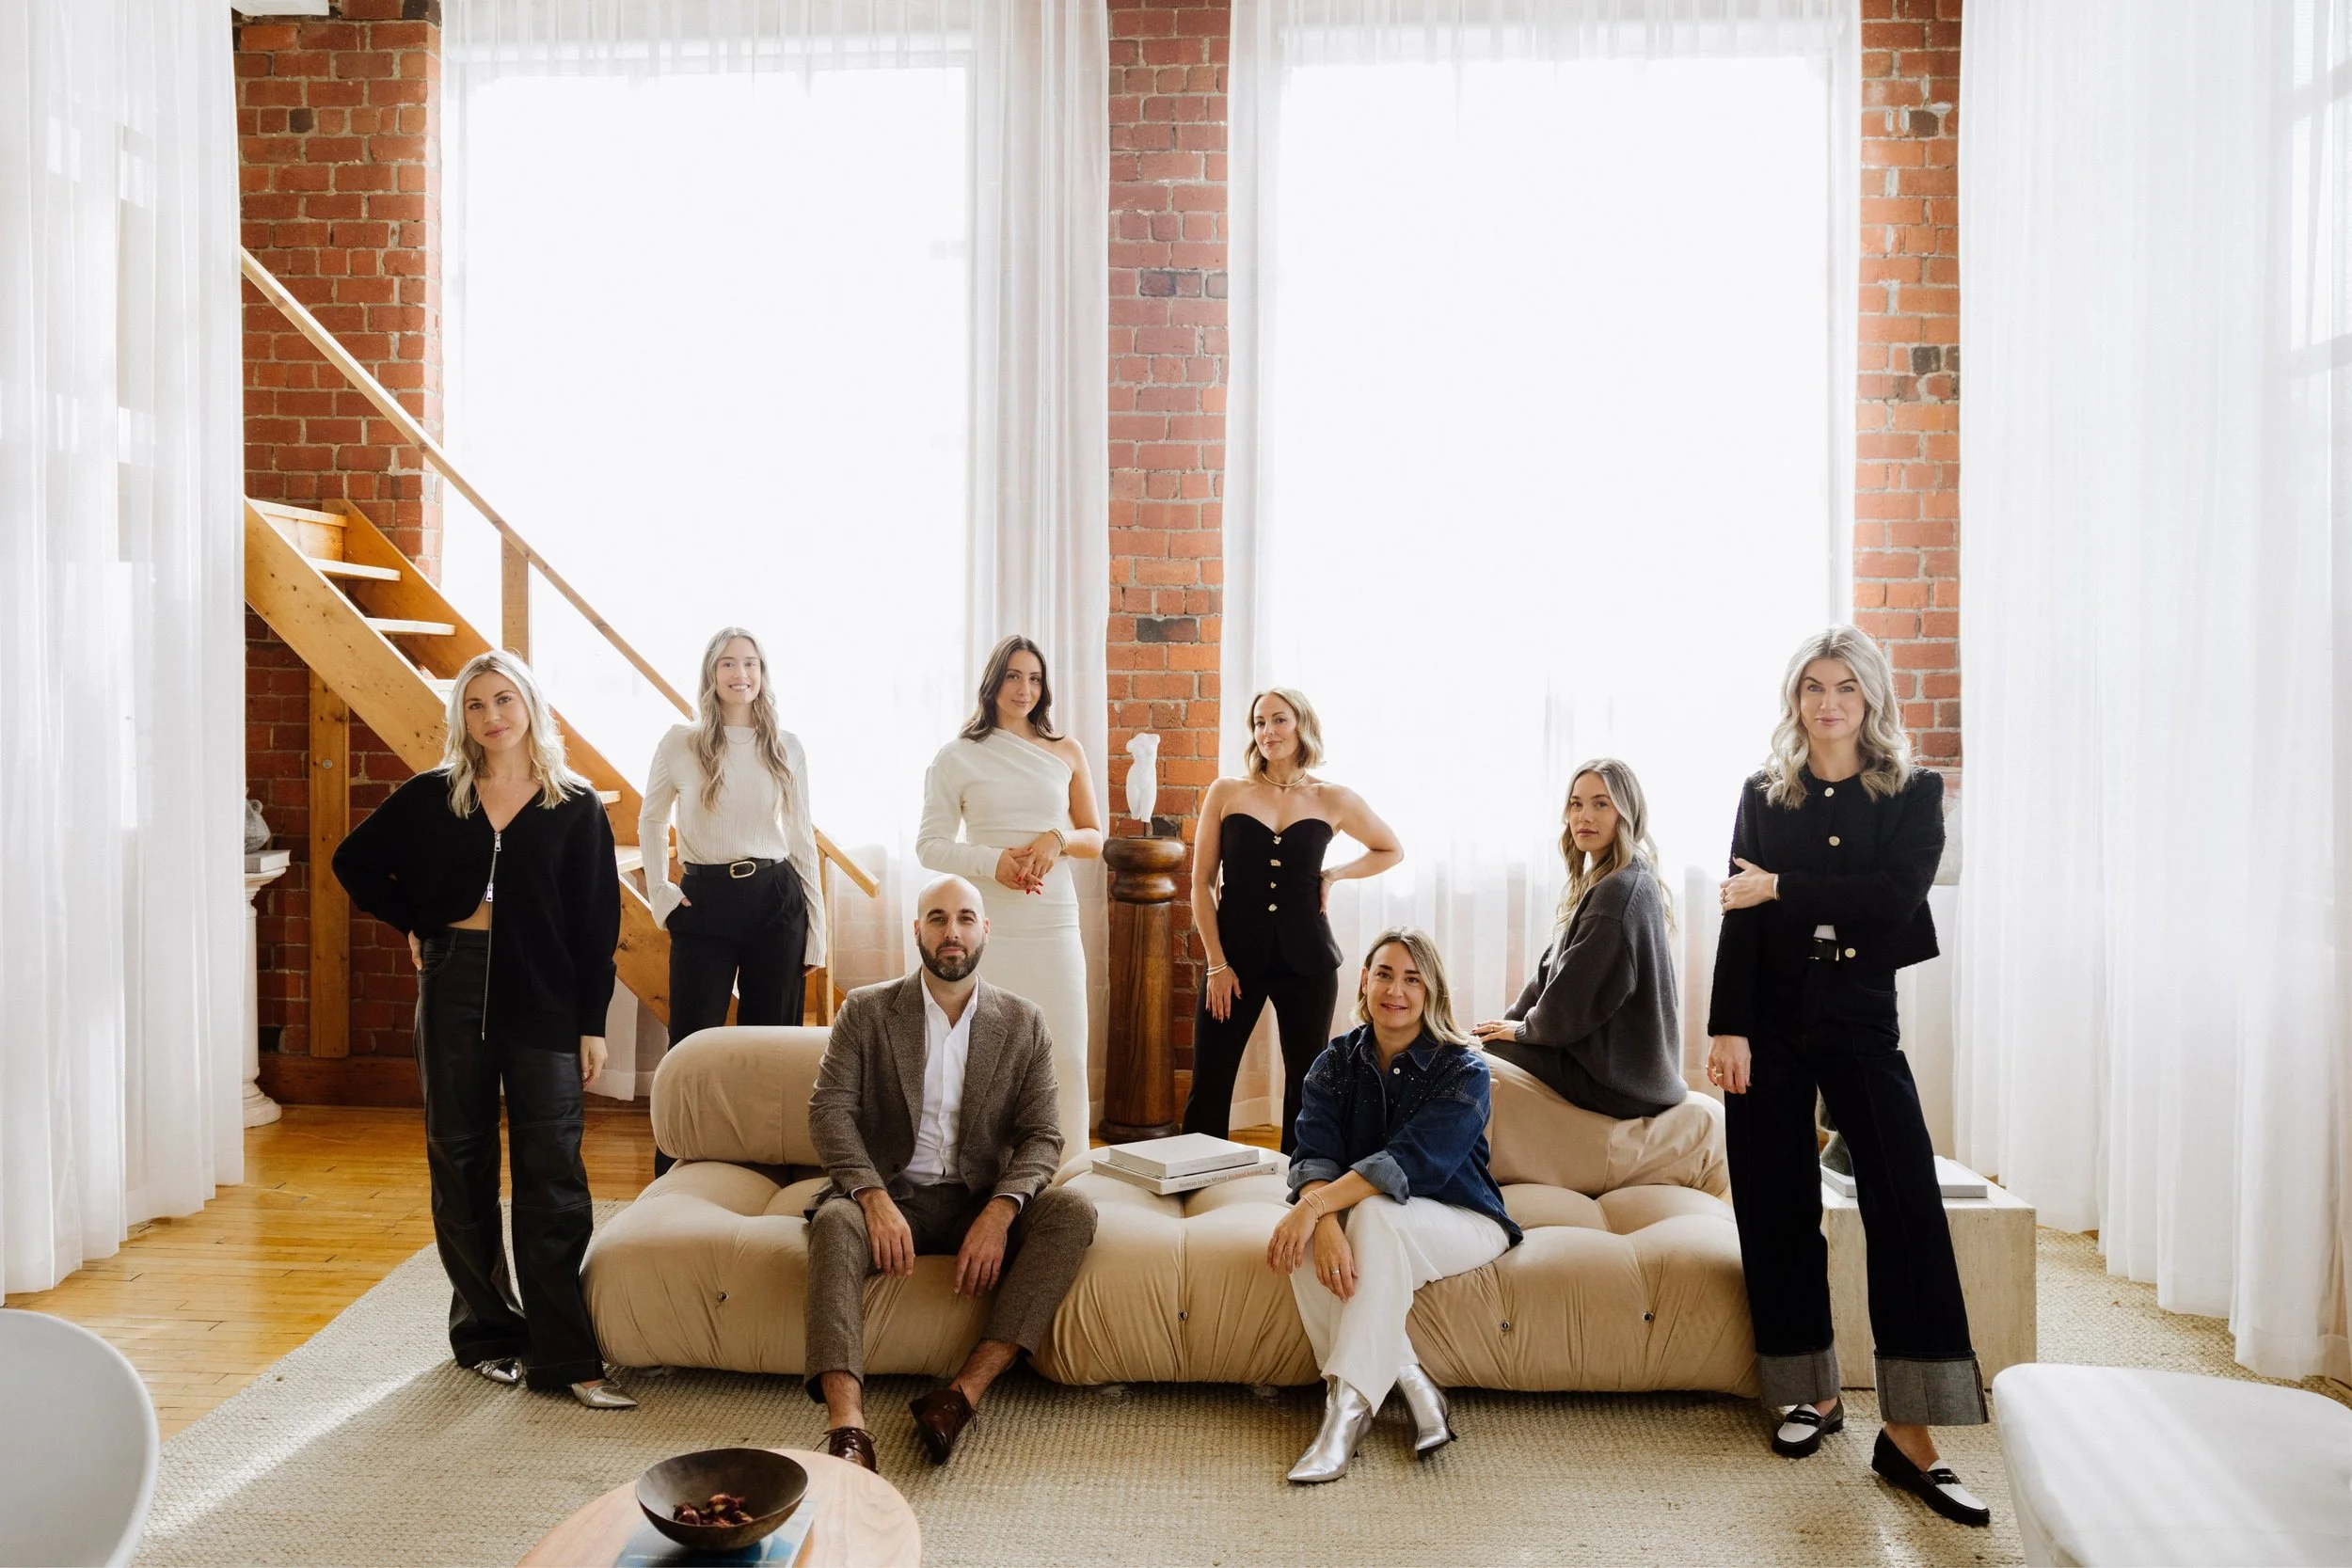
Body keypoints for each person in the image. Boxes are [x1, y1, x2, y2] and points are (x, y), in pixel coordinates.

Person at [1706, 625, 1989, 1527]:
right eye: (1813, 687)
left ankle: (1909, 1433)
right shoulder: (1764, 791)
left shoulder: (1914, 791)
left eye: (1846, 688)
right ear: (1796, 698)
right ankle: (1811, 1391)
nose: (1828, 703)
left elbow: (1892, 899)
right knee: (1774, 1197)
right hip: (1770, 1015)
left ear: (1871, 698)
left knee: (1906, 1203)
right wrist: (1727, 1025)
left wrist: (1782, 886)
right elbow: (1738, 913)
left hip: (1861, 1014)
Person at [331, 650, 632, 1409]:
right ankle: (488, 1334)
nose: (492, 715)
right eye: (475, 704)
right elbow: (353, 861)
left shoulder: (575, 804)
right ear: (460, 718)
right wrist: (416, 920)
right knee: (459, 1160)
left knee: (552, 1169)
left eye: (504, 699)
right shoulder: (435, 795)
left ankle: (565, 1352)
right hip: (453, 983)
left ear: (530, 705)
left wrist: (591, 1024)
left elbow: (598, 924)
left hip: (544, 993)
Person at [802, 874, 1100, 1475]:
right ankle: (847, 1426)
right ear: (917, 931)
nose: (952, 932)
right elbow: (829, 1109)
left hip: (977, 1201)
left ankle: (959, 1396)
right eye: (937, 919)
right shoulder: (866, 1010)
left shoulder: (1024, 1021)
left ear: (985, 930)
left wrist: (1001, 1211)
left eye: (965, 918)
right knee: (834, 1222)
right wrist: (872, 1197)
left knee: (1074, 1212)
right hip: (893, 1197)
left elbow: (1044, 1135)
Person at [1268, 927, 1519, 1484]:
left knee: (1373, 1213)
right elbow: (1313, 1153)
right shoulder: (1334, 1062)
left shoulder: (1465, 1069)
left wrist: (1315, 1207)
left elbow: (1409, 1163)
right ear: (1364, 980)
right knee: (1312, 1239)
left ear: (1432, 991)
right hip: (1372, 1220)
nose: (1395, 991)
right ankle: (1411, 1380)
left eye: (1412, 979)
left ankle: (1346, 1413)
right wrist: (1321, 1220)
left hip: (1467, 1219)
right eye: (1384, 974)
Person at [1182, 688, 1402, 1153]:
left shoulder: (1332, 797)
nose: (1267, 731)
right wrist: (1217, 964)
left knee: (1307, 1084)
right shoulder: (1227, 792)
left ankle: (1298, 1179)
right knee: (1211, 1078)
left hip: (1309, 962)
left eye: (1278, 720)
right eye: (1259, 722)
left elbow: (1390, 849)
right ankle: (1195, 1179)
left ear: (1302, 724)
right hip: (1233, 961)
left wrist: (1334, 874)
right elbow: (1201, 884)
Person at [917, 634, 1103, 1155]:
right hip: (987, 923)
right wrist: (992, 862)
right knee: (986, 1055)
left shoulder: (1066, 750)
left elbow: (1094, 837)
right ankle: (981, 1171)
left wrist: (1057, 838)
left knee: (1065, 1052)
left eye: (1035, 679)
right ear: (993, 682)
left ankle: (1067, 1169)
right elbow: (929, 845)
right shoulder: (957, 756)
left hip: (1052, 921)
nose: (1025, 689)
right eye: (1014, 676)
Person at [639, 626, 826, 1041]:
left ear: (762, 673)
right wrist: (660, 893)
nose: (740, 673)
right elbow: (651, 820)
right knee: (691, 1041)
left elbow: (801, 840)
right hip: (703, 901)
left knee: (773, 1046)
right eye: (728, 663)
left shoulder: (787, 747)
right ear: (712, 672)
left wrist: (818, 930)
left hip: (777, 901)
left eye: (750, 663)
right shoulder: (679, 742)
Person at [1471, 758, 1685, 1119]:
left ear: (1626, 813)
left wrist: (1522, 1031)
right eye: (1576, 804)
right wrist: (1506, 1025)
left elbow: (1570, 1000)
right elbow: (1551, 972)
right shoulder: (1616, 878)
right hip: (1626, 1074)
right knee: (1477, 1044)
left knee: (1466, 1060)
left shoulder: (1618, 891)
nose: (1584, 816)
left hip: (1620, 1085)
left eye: (1601, 804)